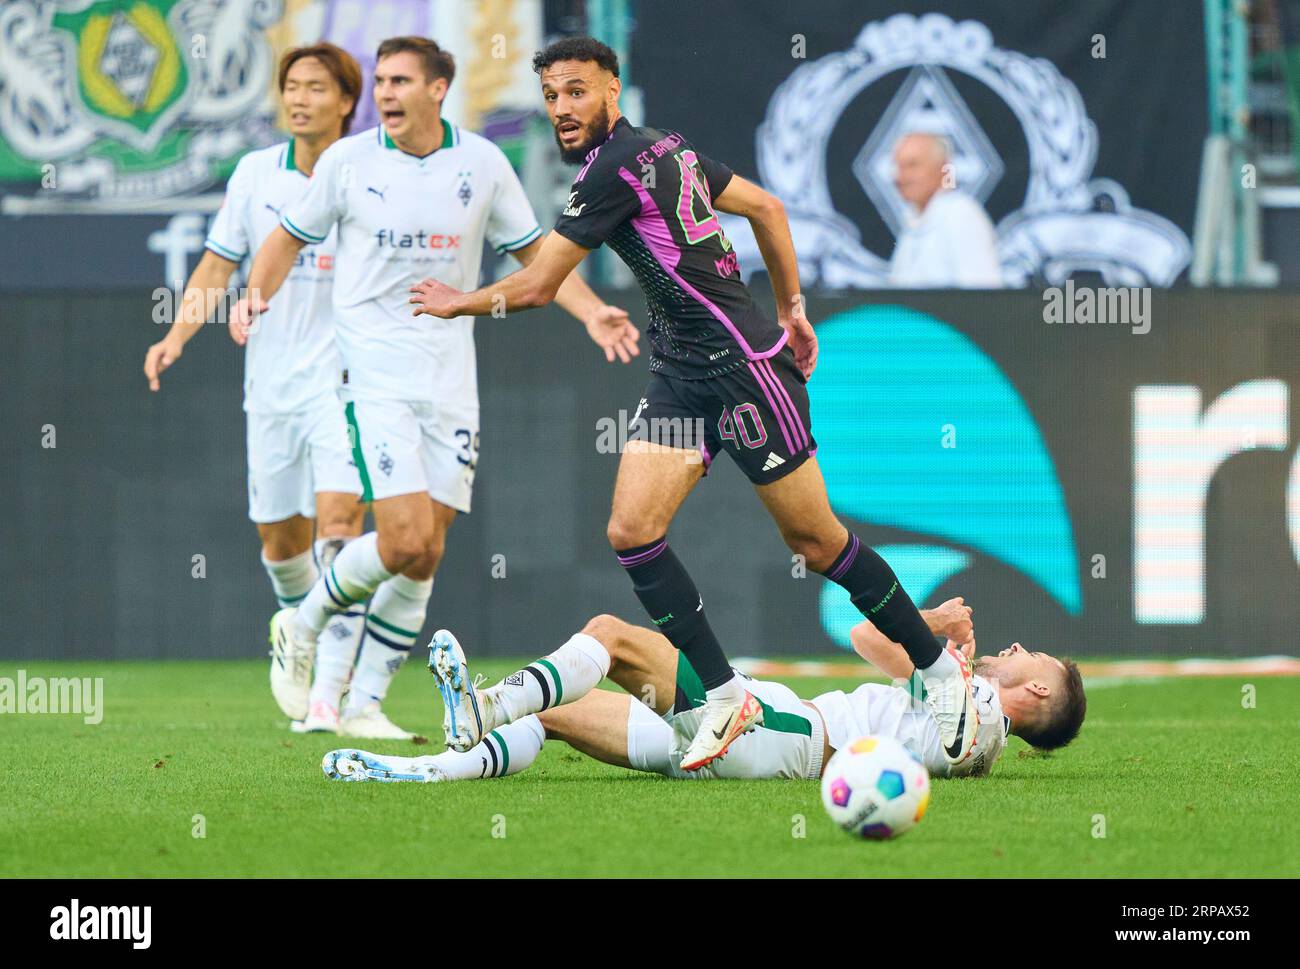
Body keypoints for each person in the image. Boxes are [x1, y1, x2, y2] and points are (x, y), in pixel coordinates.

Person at [407, 37, 981, 772]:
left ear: (612, 89)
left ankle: (936, 672)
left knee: (816, 542)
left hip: (742, 367)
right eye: (551, 95)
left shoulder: (612, 169)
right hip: (682, 368)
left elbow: (537, 284)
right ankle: (723, 690)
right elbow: (767, 207)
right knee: (632, 530)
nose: (562, 108)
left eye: (577, 91)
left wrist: (459, 303)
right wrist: (795, 308)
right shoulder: (662, 150)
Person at [233, 37, 640, 741]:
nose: (385, 94)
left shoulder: (480, 163)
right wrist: (251, 297)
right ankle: (300, 626)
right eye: (381, 81)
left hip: (451, 381)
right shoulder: (348, 161)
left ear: (438, 87)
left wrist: (592, 310)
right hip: (373, 379)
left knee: (427, 550)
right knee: (402, 537)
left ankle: (363, 701)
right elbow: (285, 238)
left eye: (401, 81)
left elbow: (536, 255)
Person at [142, 44, 394, 736]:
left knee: (340, 526)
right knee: (282, 540)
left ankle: (333, 702)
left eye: (315, 87)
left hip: (350, 382)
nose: (299, 98)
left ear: (348, 101)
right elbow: (216, 267)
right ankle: (297, 626)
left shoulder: (375, 171)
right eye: (290, 86)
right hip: (273, 385)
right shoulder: (256, 174)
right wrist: (176, 336)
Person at [323, 600, 1086, 784]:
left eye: (1031, 655)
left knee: (613, 636)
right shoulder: (970, 720)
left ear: (1040, 689)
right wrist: (938, 650)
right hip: (771, 744)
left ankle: (481, 709)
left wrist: (935, 629)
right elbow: (874, 650)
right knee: (553, 712)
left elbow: (867, 634)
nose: (1016, 649)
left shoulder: (979, 712)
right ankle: (428, 767)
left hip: (780, 730)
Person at [887, 132, 1004, 288]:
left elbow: (983, 297)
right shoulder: (913, 220)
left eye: (912, 165)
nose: (901, 177)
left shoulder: (960, 214)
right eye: (898, 166)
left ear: (942, 169)